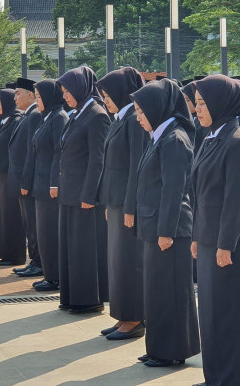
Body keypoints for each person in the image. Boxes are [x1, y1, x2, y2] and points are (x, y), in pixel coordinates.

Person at [191, 75, 240, 385]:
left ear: (220, 104)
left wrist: (224, 245)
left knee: (230, 316)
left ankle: (235, 378)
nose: (197, 109)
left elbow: (235, 199)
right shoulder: (210, 136)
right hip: (207, 237)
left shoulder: (238, 140)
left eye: (202, 104)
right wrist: (196, 235)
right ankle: (215, 375)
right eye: (196, 103)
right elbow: (198, 192)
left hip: (229, 242)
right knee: (211, 316)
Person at [131, 79, 200, 368]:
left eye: (141, 111)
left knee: (171, 293)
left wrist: (166, 231)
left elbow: (175, 189)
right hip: (155, 225)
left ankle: (172, 350)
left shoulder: (174, 139)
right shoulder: (161, 134)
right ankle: (159, 346)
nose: (137, 116)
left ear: (156, 109)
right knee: (157, 291)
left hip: (168, 230)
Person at [96, 67, 147, 340]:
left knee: (129, 261)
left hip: (127, 203)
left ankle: (134, 317)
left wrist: (130, 206)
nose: (105, 99)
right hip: (114, 201)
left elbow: (136, 167)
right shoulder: (119, 118)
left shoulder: (134, 121)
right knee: (117, 260)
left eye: (108, 95)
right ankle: (122, 315)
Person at [56, 66, 111, 314]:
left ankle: (88, 299)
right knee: (70, 248)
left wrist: (90, 193)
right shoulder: (78, 113)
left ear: (80, 88)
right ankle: (71, 297)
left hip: (84, 195)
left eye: (68, 90)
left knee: (84, 249)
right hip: (70, 191)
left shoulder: (97, 114)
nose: (65, 95)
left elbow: (98, 159)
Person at [21, 80, 68, 293]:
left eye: (39, 97)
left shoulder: (59, 117)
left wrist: (53, 183)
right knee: (43, 233)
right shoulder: (46, 117)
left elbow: (59, 153)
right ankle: (49, 274)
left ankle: (54, 277)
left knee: (50, 233)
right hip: (40, 184)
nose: (37, 101)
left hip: (50, 187)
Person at [8, 78, 44, 277]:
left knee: (33, 223)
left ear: (31, 95)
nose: (15, 98)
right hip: (22, 177)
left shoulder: (35, 116)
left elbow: (32, 152)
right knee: (28, 223)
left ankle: (38, 262)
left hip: (28, 180)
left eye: (18, 93)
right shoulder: (27, 115)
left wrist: (25, 181)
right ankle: (34, 260)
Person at [0, 88, 26, 265]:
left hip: (12, 173)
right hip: (3, 173)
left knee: (12, 215)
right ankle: (5, 253)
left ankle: (14, 255)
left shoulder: (16, 119)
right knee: (4, 215)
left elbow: (14, 150)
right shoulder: (6, 120)